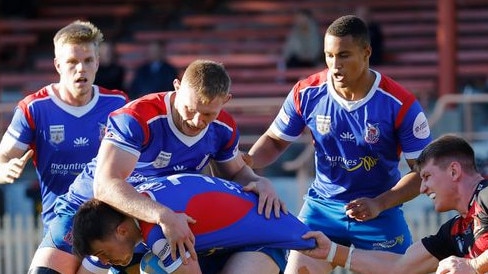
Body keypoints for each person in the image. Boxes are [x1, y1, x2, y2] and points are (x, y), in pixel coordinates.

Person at [29, 59, 287, 274]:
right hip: (89, 208)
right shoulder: (138, 118)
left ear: (226, 100)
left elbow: (235, 174)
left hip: (139, 225)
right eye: (190, 108)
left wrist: (258, 182)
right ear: (176, 87)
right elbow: (105, 186)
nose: (197, 121)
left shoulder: (223, 128)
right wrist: (163, 215)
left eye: (208, 114)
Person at [246, 15, 432, 273]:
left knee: (409, 269)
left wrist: (379, 203)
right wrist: (248, 162)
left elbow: (423, 172)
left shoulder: (400, 104)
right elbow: (275, 141)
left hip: (379, 212)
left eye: (344, 55)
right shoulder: (307, 92)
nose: (335, 65)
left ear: (366, 52)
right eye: (329, 56)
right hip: (321, 210)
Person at [0, 20, 129, 233]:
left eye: (88, 60)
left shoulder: (118, 104)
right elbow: (3, 157)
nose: (81, 69)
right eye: (72, 62)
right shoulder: (34, 109)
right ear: (58, 65)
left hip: (111, 229)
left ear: (97, 63)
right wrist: (3, 171)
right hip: (59, 227)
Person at [299, 134, 488, 274]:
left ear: (454, 171)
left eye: (427, 177)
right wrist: (331, 251)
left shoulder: (485, 194)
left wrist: (474, 265)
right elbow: (399, 266)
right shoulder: (454, 231)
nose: (422, 189)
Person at [71, 173, 316, 273]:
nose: (103, 261)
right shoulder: (144, 200)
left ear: (121, 230)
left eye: (102, 253)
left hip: (263, 244)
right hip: (239, 242)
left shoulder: (157, 232)